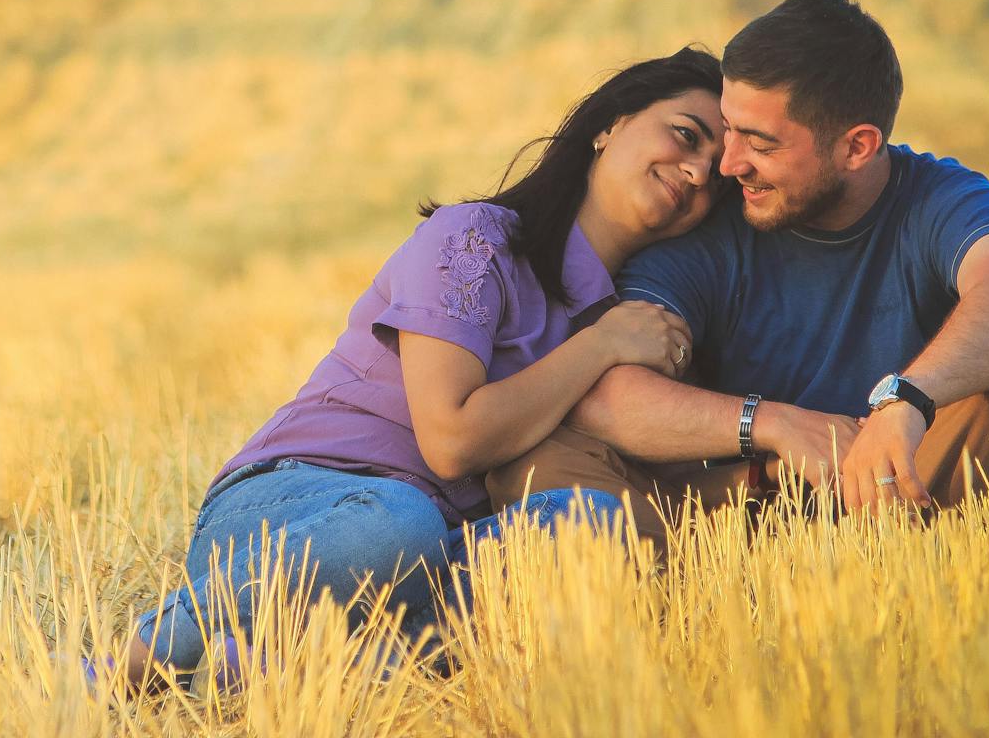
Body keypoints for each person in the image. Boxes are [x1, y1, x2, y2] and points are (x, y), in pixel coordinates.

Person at [98, 47, 729, 692]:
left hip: (432, 554)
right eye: (686, 135)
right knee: (397, 523)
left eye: (719, 172)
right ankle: (150, 649)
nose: (698, 171)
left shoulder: (627, 319)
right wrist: (600, 347)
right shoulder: (476, 239)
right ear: (612, 124)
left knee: (593, 525)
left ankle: (296, 662)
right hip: (300, 511)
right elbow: (452, 441)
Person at [489, 0, 989, 544]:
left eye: (760, 143)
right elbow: (609, 398)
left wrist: (906, 401)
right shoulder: (708, 224)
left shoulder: (941, 199)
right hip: (745, 503)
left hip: (892, 492)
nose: (729, 163)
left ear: (857, 148)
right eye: (729, 128)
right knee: (541, 464)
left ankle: (874, 579)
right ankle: (704, 598)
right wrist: (773, 426)